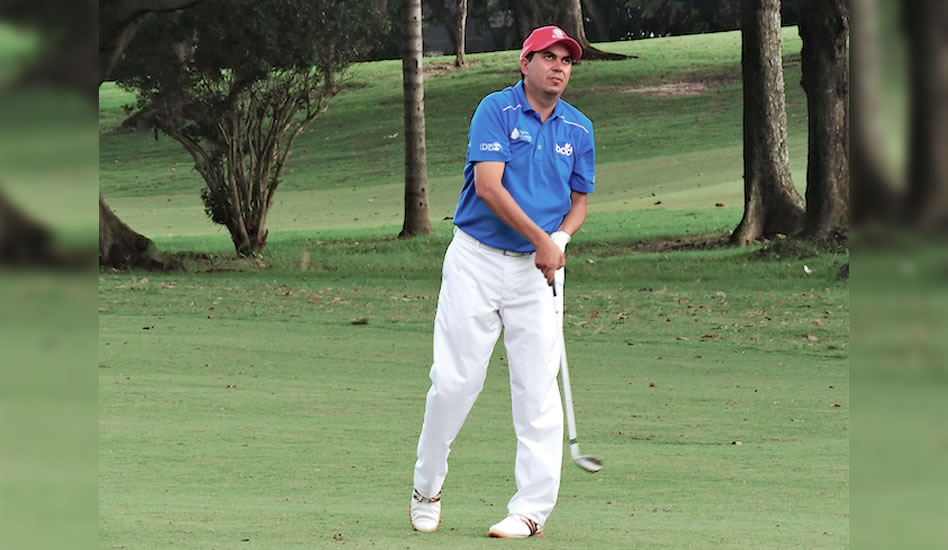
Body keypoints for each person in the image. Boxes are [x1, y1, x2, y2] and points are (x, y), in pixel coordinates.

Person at [409, 25, 595, 539]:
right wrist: (543, 239)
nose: (559, 66)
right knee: (453, 383)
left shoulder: (579, 129)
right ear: (525, 62)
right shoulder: (496, 110)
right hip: (476, 260)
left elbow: (579, 202)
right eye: (548, 57)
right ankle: (427, 484)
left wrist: (558, 239)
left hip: (538, 270)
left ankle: (531, 510)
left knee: (537, 390)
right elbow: (489, 188)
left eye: (566, 59)